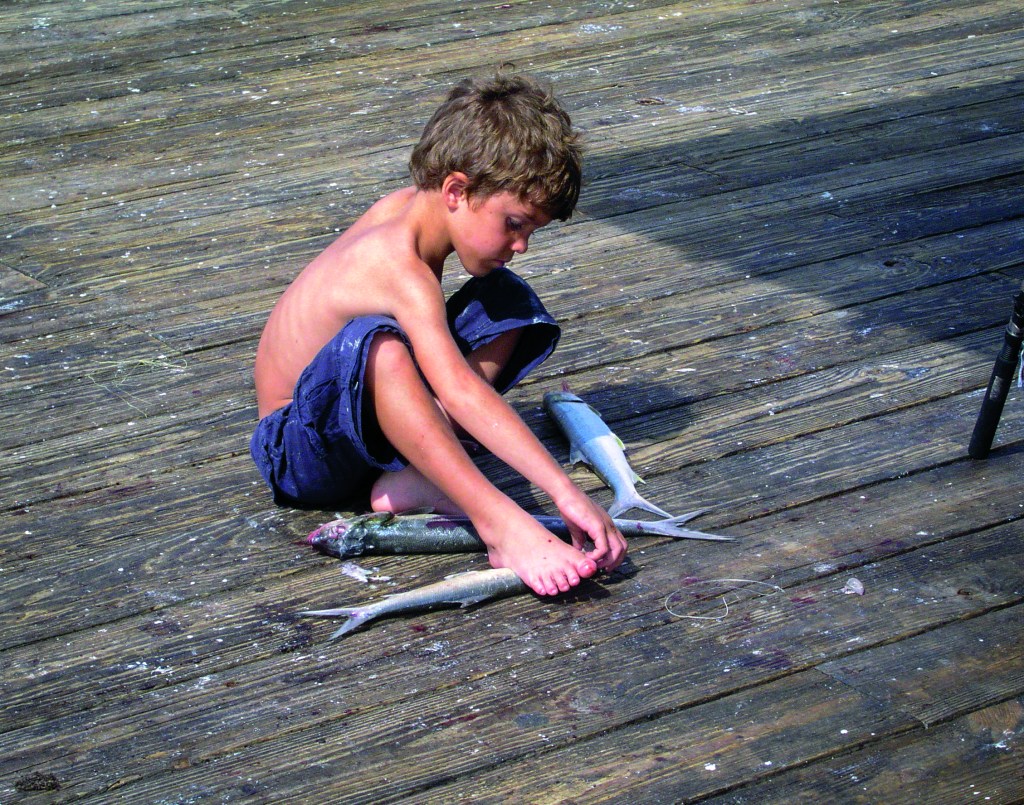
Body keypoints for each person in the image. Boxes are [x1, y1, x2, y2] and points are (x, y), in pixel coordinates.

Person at [250, 71, 627, 597]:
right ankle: (498, 522)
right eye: (514, 223)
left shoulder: (409, 206)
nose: (522, 244)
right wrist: (563, 492)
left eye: (530, 231)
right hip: (301, 450)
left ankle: (418, 474)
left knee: (506, 299)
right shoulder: (394, 264)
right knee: (379, 345)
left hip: (353, 421)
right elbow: (458, 388)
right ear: (456, 190)